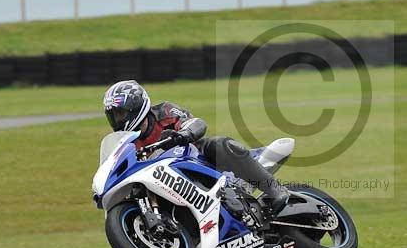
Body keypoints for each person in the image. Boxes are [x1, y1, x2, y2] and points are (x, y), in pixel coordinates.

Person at [102, 79, 289, 216]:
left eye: (120, 113)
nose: (117, 120)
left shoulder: (164, 111)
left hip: (194, 160)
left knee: (217, 144)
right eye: (113, 115)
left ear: (135, 107)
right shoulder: (127, 141)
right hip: (164, 182)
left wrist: (183, 134)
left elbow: (196, 123)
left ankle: (275, 190)